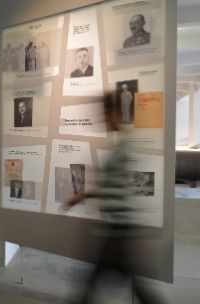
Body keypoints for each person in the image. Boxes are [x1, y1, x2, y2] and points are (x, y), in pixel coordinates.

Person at [64, 93, 164, 304]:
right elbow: (111, 186)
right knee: (126, 283)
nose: (103, 118)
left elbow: (121, 192)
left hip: (118, 229)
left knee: (96, 282)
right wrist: (82, 196)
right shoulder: (120, 145)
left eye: (105, 112)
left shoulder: (124, 146)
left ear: (116, 113)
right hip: (116, 228)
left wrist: (86, 198)